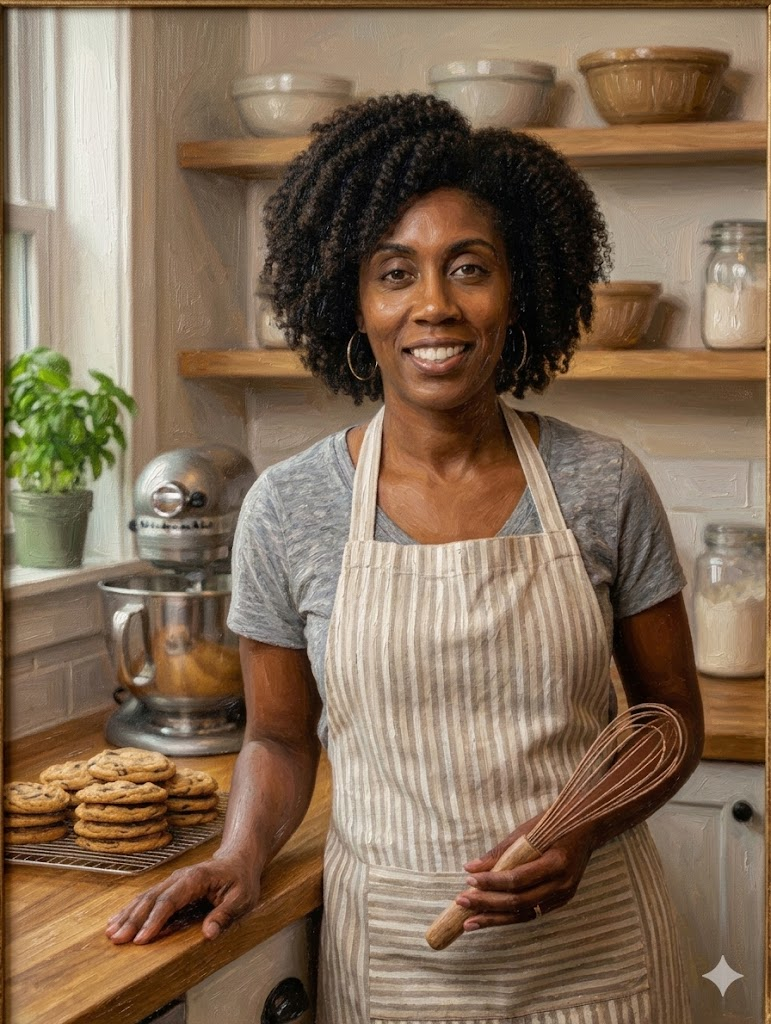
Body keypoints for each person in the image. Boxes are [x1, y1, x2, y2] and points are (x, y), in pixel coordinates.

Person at [107, 93, 704, 1024]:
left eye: (469, 268)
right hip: (394, 960)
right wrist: (239, 855)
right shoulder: (288, 507)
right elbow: (277, 737)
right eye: (395, 273)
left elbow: (669, 722)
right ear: (353, 302)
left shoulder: (600, 482)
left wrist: (584, 831)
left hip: (595, 955)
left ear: (519, 290)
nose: (434, 304)